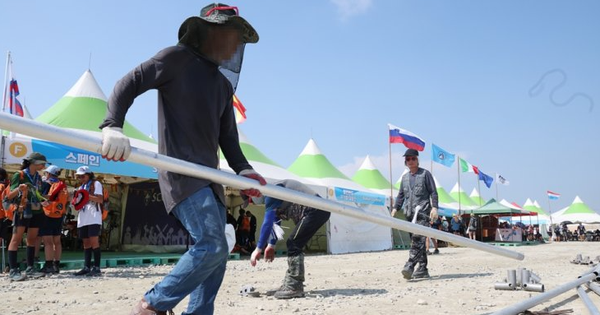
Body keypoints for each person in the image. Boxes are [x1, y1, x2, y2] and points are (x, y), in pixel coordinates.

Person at [99, 4, 265, 314]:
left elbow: (228, 139)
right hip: (182, 174)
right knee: (212, 245)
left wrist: (245, 170)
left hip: (213, 182)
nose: (234, 45)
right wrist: (113, 126)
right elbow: (129, 82)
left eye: (238, 40)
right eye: (231, 34)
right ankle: (152, 304)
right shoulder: (174, 59)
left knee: (216, 256)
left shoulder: (222, 86)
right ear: (208, 32)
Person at [250, 179, 330, 299]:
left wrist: (258, 248)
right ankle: (291, 282)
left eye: (251, 200)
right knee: (295, 242)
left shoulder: (271, 192)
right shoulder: (274, 194)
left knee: (293, 243)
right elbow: (276, 222)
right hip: (314, 211)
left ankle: (294, 285)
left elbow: (268, 223)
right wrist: (271, 245)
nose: (252, 203)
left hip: (315, 210)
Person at [391, 149, 438, 280]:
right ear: (405, 162)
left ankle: (410, 265)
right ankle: (423, 268)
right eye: (408, 159)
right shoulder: (405, 178)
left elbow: (433, 192)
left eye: (413, 158)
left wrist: (434, 207)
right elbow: (401, 195)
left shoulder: (425, 174)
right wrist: (395, 208)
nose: (410, 161)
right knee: (418, 241)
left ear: (417, 160)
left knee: (418, 240)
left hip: (422, 212)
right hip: (409, 214)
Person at [6, 152, 47, 281]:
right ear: (35, 163)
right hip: (22, 210)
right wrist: (19, 189)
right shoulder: (20, 175)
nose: (44, 166)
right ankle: (13, 269)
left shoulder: (39, 177)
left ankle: (30, 268)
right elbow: (9, 196)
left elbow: (37, 194)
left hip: (36, 210)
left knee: (32, 239)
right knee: (16, 239)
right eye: (42, 163)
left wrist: (42, 201)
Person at [72, 166, 103, 277]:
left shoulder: (96, 184)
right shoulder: (80, 187)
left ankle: (97, 267)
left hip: (93, 215)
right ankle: (86, 266)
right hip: (83, 216)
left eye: (83, 176)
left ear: (89, 175)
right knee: (86, 242)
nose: (81, 178)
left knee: (94, 241)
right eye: (79, 176)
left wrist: (86, 195)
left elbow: (100, 199)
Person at [39, 165, 68, 274]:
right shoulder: (62, 185)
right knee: (57, 241)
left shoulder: (47, 184)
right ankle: (56, 265)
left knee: (48, 242)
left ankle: (48, 265)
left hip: (47, 214)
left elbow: (44, 197)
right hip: (59, 215)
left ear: (49, 173)